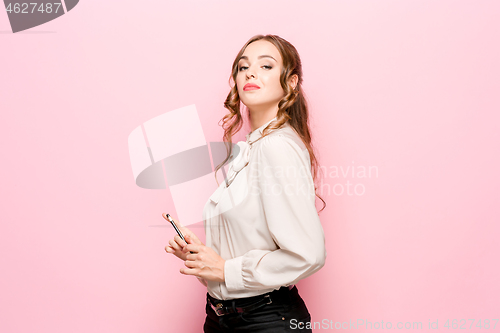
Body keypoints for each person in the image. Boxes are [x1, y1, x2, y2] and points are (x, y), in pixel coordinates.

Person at [165, 34, 327, 332]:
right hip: (222, 316)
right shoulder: (251, 149)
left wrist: (226, 269)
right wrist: (204, 258)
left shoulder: (275, 147)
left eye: (266, 66)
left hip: (265, 320)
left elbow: (309, 254)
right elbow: (244, 246)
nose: (250, 72)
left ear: (291, 82)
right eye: (243, 67)